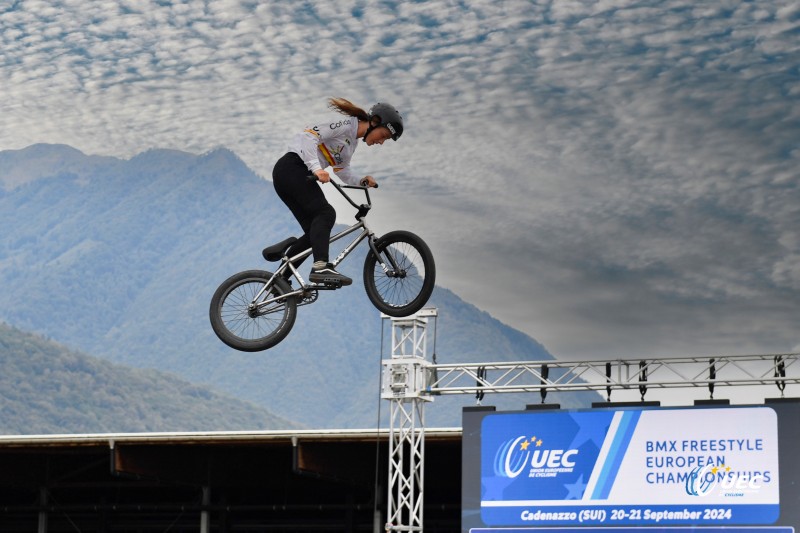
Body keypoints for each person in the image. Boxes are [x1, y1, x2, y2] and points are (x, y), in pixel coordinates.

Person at [269, 97, 404, 286]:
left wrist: (361, 181)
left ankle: (279, 280)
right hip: (292, 168)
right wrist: (317, 168)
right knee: (326, 213)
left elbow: (342, 171)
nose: (381, 142)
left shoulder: (351, 144)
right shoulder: (345, 125)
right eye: (383, 136)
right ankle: (320, 267)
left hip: (297, 175)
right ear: (374, 122)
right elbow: (309, 135)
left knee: (314, 234)